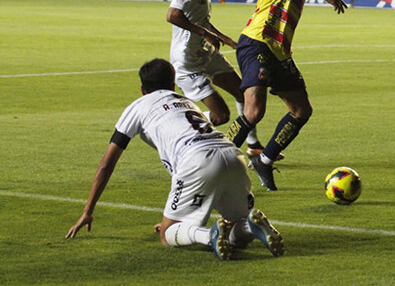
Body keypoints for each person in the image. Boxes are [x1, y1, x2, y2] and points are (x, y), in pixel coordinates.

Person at [65, 59, 284, 260]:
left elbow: (106, 164)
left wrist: (88, 211)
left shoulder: (138, 106)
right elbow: (218, 116)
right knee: (238, 228)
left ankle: (210, 235)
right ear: (172, 85)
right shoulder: (186, 102)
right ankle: (251, 227)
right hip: (232, 153)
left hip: (197, 159)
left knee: (168, 234)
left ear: (143, 89)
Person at [224, 0, 347, 191]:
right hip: (257, 40)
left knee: (302, 110)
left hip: (279, 51)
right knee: (254, 111)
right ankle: (210, 158)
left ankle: (265, 160)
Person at [166, 0, 266, 155]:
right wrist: (205, 33)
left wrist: (228, 40)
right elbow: (173, 15)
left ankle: (253, 145)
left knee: (243, 93)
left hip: (204, 52)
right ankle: (181, 127)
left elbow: (201, 21)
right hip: (187, 61)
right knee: (221, 116)